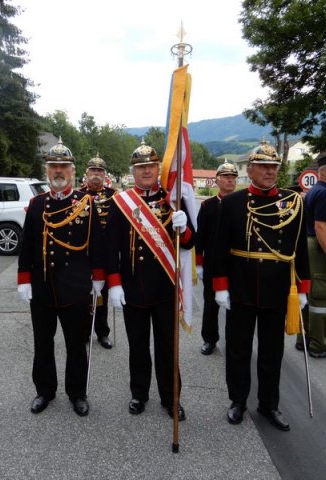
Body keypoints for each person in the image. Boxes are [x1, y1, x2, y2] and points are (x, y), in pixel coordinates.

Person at [212, 142, 310, 432]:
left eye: (274, 167)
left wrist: (302, 288)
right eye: (264, 167)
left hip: (277, 287)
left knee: (272, 351)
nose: (270, 172)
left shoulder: (292, 203)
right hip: (241, 285)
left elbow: (299, 250)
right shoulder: (232, 203)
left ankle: (269, 404)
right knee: (238, 349)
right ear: (250, 170)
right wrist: (220, 286)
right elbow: (219, 249)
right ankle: (237, 401)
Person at [106, 141, 195, 421]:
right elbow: (111, 247)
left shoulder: (173, 200)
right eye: (140, 167)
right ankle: (139, 393)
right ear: (133, 171)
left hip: (165, 287)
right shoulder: (120, 203)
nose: (146, 171)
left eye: (151, 166)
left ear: (159, 168)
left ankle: (171, 398)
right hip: (133, 287)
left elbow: (191, 243)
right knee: (138, 345)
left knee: (168, 347)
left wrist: (185, 226)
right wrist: (115, 283)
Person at [17, 139, 105, 417]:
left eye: (63, 167)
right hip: (43, 287)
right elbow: (28, 245)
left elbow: (97, 245)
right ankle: (44, 390)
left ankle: (77, 393)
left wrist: (98, 279)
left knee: (75, 345)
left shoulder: (86, 204)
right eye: (53, 166)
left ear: (72, 170)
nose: (58, 171)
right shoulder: (37, 204)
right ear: (47, 170)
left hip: (75, 288)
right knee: (43, 343)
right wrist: (23, 279)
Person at [296, 153, 326, 359]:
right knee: (322, 298)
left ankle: (304, 340)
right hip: (318, 248)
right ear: (323, 171)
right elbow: (320, 227)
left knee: (309, 294)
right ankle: (319, 345)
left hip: (309, 247)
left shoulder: (316, 191)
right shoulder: (324, 193)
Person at [196, 159, 238, 355]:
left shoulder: (243, 203)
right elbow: (200, 236)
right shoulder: (208, 205)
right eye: (226, 177)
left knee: (236, 306)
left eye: (233, 177)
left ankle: (234, 340)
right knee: (211, 304)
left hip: (237, 262)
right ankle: (209, 339)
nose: (230, 180)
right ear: (217, 180)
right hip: (213, 262)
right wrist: (199, 263)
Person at [78, 153, 116, 349]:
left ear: (104, 174)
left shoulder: (113, 196)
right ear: (86, 173)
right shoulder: (78, 195)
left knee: (102, 296)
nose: (96, 174)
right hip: (82, 255)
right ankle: (84, 331)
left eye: (100, 171)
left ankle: (102, 332)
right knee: (83, 296)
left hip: (105, 255)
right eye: (93, 170)